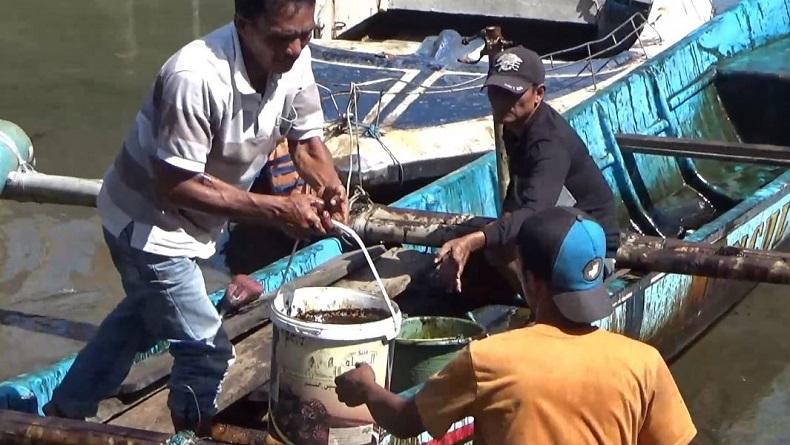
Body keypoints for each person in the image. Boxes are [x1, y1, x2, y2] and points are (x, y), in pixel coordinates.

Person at [44, 0, 346, 435]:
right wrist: (279, 209)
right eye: (283, 38)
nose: (297, 48)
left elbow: (307, 144)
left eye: (306, 33)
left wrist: (330, 185)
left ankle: (67, 410)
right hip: (146, 223)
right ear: (244, 25)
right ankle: (189, 433)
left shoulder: (294, 58)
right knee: (207, 351)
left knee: (143, 319)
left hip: (196, 221)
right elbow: (177, 184)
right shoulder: (195, 76)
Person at [336, 206, 696, 445]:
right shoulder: (644, 363)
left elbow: (405, 421)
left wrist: (366, 388)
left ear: (531, 282)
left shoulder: (489, 358)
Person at [435, 46, 619, 295]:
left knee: (499, 245)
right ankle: (528, 295)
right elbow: (519, 191)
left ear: (538, 94)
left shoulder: (549, 144)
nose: (502, 102)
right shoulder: (516, 126)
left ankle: (538, 308)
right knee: (495, 243)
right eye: (496, 92)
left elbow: (533, 211)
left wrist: (474, 240)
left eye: (512, 94)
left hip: (590, 248)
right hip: (556, 222)